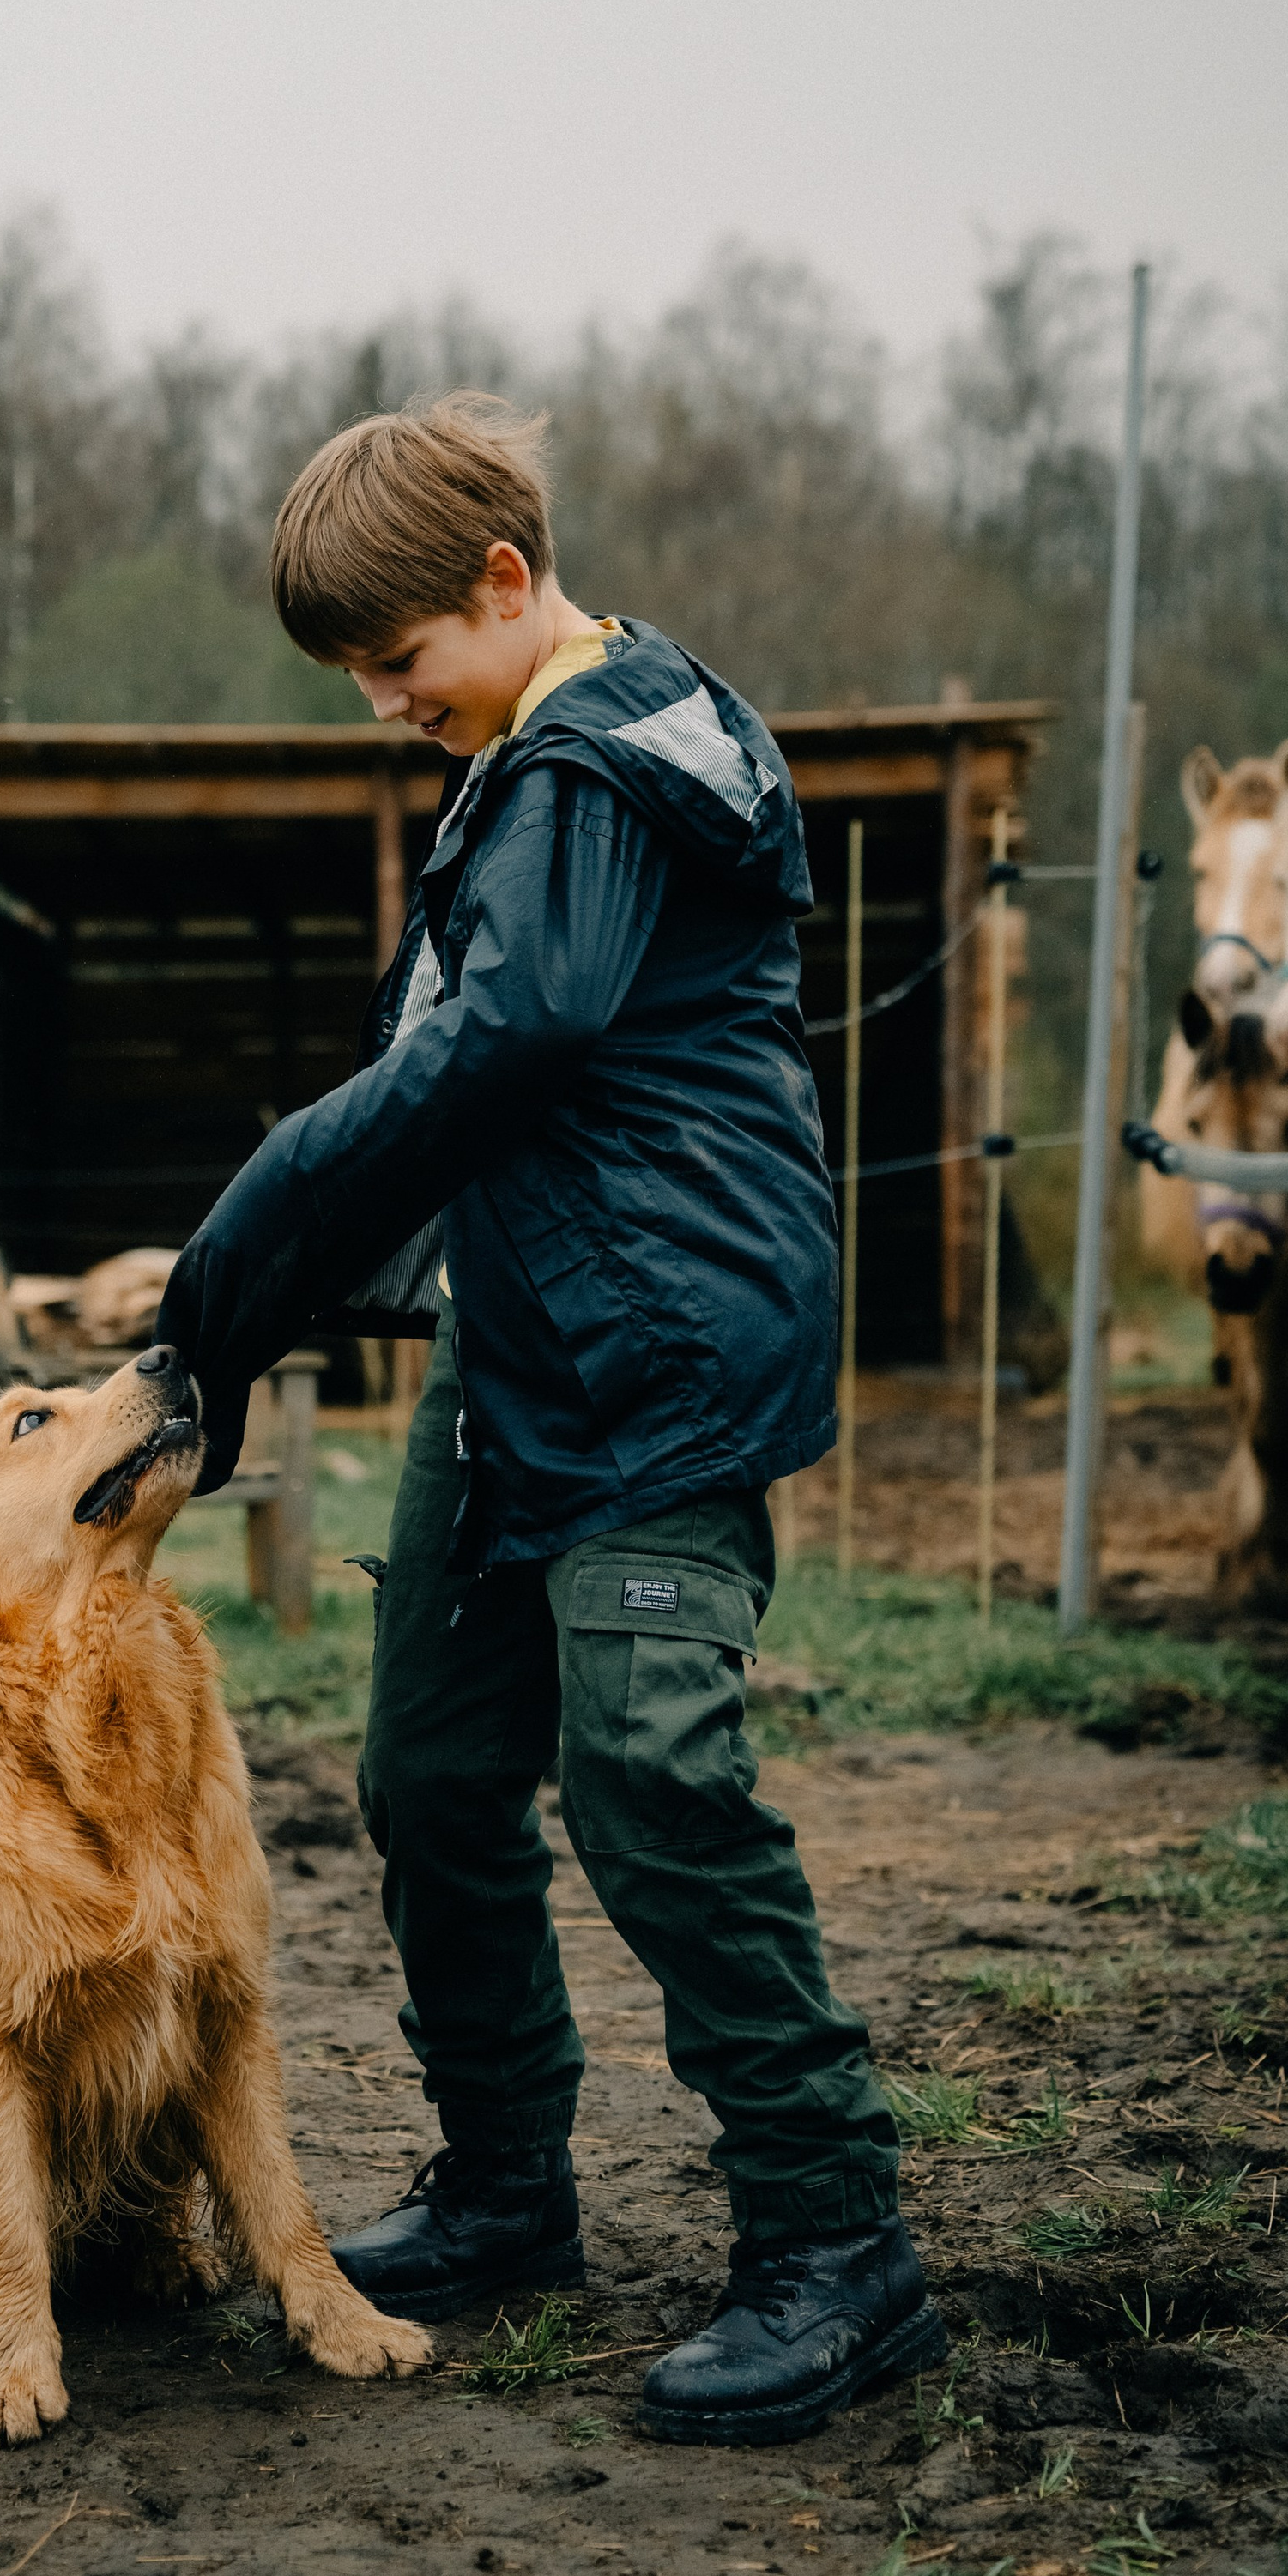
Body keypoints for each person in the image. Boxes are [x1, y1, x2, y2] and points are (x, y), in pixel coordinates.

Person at [154, 394, 942, 2446]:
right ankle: (506, 2186)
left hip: (670, 1349)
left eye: (397, 665)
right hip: (524, 1353)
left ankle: (833, 2242)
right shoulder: (527, 762)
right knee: (426, 1771)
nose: (384, 706)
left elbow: (508, 1040)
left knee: (651, 1774)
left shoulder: (591, 771)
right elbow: (465, 1092)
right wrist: (282, 1295)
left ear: (503, 587)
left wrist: (239, 1239)